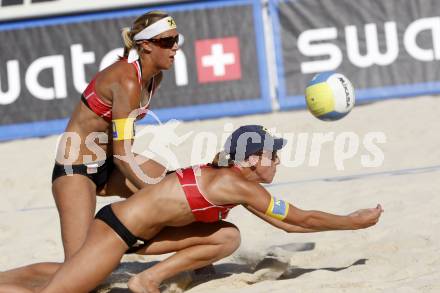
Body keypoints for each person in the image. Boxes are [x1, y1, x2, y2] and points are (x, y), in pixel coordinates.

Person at [1, 125, 383, 293]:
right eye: (273, 154)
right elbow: (299, 219)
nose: (278, 161)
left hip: (139, 235)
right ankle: (144, 281)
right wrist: (352, 222)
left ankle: (148, 279)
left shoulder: (238, 183)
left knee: (227, 236)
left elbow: (290, 228)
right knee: (62, 290)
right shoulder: (234, 184)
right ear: (249, 160)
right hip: (116, 230)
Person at [0, 10, 221, 290]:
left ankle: (200, 263)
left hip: (110, 163)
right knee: (80, 269)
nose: (175, 46)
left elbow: (122, 145)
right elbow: (122, 153)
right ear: (146, 46)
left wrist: (157, 188)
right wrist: (153, 192)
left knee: (173, 183)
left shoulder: (153, 78)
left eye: (176, 39)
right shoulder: (127, 80)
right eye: (166, 41)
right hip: (76, 169)